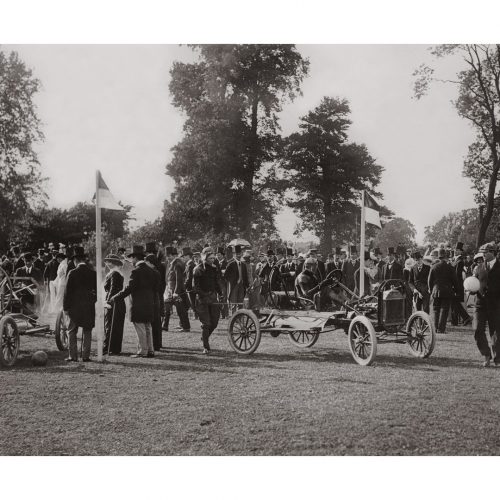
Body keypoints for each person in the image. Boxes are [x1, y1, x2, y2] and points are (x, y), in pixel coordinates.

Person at [109, 245, 156, 358]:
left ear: (135, 258)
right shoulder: (152, 271)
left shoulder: (136, 272)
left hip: (138, 304)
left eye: (132, 258)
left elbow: (129, 288)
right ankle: (150, 350)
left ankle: (142, 351)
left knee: (140, 328)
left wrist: (116, 297)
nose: (131, 261)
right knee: (148, 327)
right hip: (149, 302)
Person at [62, 246, 97, 362]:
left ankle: (73, 356)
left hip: (74, 307)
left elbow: (67, 292)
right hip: (88, 306)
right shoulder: (93, 273)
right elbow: (96, 292)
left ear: (75, 260)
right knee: (87, 331)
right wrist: (92, 301)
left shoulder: (72, 273)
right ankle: (86, 356)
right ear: (84, 259)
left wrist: (65, 307)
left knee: (72, 331)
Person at [473, 242, 500, 367]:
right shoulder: (478, 268)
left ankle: (497, 358)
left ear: (493, 253)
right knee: (477, 330)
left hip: (495, 304)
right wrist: (471, 289)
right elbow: (474, 284)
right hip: (480, 304)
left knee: (496, 332)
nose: (483, 255)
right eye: (482, 252)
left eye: (486, 252)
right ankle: (486, 354)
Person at [193, 247, 222, 354]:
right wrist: (204, 294)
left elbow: (216, 283)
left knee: (214, 322)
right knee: (206, 323)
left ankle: (204, 337)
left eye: (213, 258)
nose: (212, 260)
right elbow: (196, 287)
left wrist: (221, 293)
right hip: (202, 300)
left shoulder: (214, 268)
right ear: (204, 258)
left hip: (213, 298)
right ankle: (206, 347)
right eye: (210, 258)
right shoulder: (197, 269)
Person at [428, 248, 459, 334]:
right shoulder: (450, 267)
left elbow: (429, 280)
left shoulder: (433, 267)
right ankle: (441, 329)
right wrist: (456, 290)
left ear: (439, 257)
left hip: (436, 290)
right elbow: (455, 280)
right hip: (447, 290)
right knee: (444, 310)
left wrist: (431, 290)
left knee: (435, 310)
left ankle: (435, 328)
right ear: (445, 257)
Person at [103, 254, 125, 355]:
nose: (107, 263)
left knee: (110, 325)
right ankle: (113, 348)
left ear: (114, 263)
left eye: (109, 261)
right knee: (114, 325)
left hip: (113, 302)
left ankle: (108, 348)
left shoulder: (115, 273)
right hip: (117, 302)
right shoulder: (115, 273)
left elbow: (112, 289)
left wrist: (108, 301)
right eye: (107, 261)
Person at [145, 242, 166, 350]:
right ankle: (158, 343)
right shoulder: (161, 265)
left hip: (152, 294)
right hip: (159, 294)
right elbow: (164, 282)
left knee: (151, 320)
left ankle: (153, 343)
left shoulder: (150, 266)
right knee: (157, 320)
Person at [166, 246, 191, 332]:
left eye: (169, 256)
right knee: (177, 309)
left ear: (174, 255)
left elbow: (179, 280)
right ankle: (182, 326)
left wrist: (176, 292)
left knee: (181, 310)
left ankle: (186, 327)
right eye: (167, 256)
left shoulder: (177, 264)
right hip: (174, 290)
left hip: (177, 291)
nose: (168, 257)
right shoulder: (174, 263)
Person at [451, 242, 472, 326]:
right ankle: (456, 320)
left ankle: (464, 318)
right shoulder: (455, 260)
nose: (455, 251)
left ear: (460, 251)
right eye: (455, 249)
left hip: (457, 285)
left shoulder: (460, 261)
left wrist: (453, 284)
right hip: (456, 284)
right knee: (455, 303)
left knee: (455, 302)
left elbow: (456, 275)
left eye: (457, 250)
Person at [225, 244, 248, 312]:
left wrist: (247, 286)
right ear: (234, 254)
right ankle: (234, 318)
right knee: (234, 303)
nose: (238, 255)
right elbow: (226, 276)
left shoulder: (243, 265)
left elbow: (245, 276)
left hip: (242, 285)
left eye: (240, 254)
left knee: (240, 302)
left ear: (241, 254)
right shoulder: (230, 264)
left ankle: (239, 318)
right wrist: (232, 281)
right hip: (234, 285)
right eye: (237, 254)